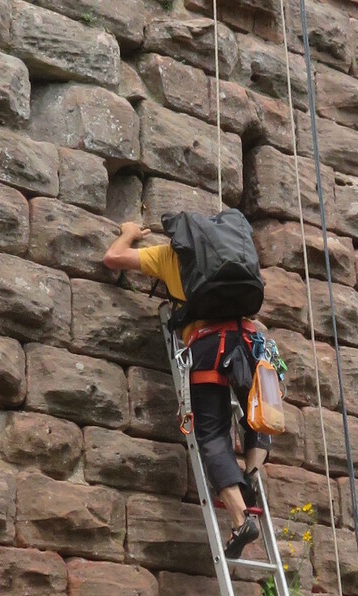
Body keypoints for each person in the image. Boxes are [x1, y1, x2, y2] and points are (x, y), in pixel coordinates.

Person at [103, 215, 262, 560]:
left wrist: (129, 232)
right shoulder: (237, 253)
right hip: (249, 342)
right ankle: (250, 474)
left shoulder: (169, 256)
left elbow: (112, 258)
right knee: (258, 415)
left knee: (212, 435)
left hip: (208, 347)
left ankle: (241, 520)